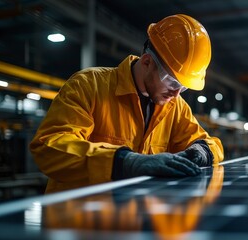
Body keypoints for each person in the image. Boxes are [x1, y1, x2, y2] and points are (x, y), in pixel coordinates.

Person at [29, 14, 224, 193]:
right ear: (147, 62)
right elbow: (49, 147)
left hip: (131, 218)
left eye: (183, 87)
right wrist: (125, 162)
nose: (176, 92)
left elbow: (212, 144)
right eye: (172, 82)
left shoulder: (176, 107)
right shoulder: (89, 85)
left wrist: (201, 152)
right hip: (77, 221)